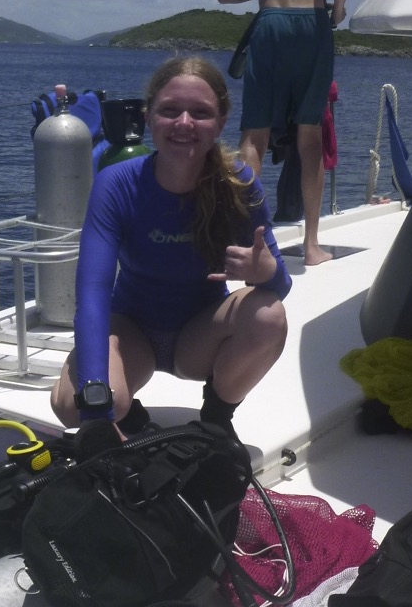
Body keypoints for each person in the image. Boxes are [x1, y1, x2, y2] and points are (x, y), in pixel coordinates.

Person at [51, 55, 290, 436]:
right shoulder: (116, 183)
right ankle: (128, 415)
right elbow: (92, 294)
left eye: (200, 112)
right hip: (131, 332)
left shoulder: (239, 183)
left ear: (221, 122)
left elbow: (280, 285)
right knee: (71, 406)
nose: (184, 122)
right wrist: (97, 405)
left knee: (268, 315)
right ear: (149, 118)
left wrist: (266, 271)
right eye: (170, 110)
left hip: (200, 336)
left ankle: (216, 419)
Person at [216, 0, 350, 266]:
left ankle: (249, 242)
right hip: (312, 24)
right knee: (310, 134)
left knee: (253, 135)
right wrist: (338, 11)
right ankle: (311, 247)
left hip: (270, 23)